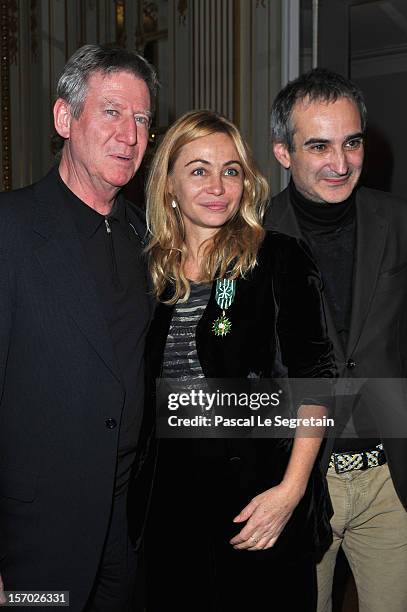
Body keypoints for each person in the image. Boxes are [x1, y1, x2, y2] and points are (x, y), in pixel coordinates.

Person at [138, 109, 336, 612]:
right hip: (171, 508)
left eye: (231, 170)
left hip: (259, 500)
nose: (218, 185)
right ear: (169, 186)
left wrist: (288, 495)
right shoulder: (146, 274)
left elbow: (316, 383)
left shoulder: (278, 258)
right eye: (199, 170)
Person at [0, 44, 157, 611]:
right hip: (34, 537)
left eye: (141, 119)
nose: (131, 134)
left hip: (125, 525)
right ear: (65, 119)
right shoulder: (10, 228)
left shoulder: (147, 238)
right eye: (112, 111)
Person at [266, 67, 407, 612]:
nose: (340, 163)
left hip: (390, 478)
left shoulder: (398, 221)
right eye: (319, 146)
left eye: (352, 143)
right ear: (283, 152)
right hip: (299, 482)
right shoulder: (252, 236)